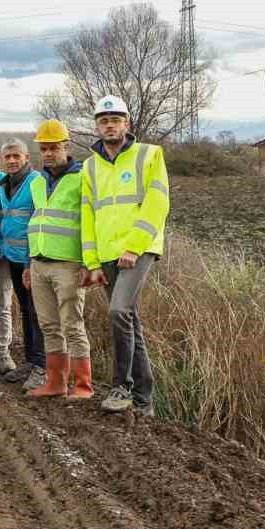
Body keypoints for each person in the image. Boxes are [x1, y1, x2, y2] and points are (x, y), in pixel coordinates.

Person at [81, 95, 171, 417]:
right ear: (97, 126)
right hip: (106, 254)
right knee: (130, 319)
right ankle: (145, 401)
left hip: (139, 248)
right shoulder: (89, 166)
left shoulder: (149, 155)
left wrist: (134, 246)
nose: (109, 124)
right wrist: (91, 263)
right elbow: (88, 215)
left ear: (127, 124)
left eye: (115, 119)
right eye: (104, 120)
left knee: (119, 311)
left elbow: (158, 203)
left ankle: (122, 385)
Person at [23, 120, 91, 400]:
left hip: (69, 264)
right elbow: (36, 221)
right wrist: (29, 263)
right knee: (49, 325)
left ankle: (83, 386)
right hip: (40, 263)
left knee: (72, 325)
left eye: (53, 148)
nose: (49, 153)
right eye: (44, 149)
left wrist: (90, 263)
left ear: (66, 146)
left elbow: (90, 223)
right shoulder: (38, 181)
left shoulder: (82, 178)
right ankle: (56, 383)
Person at [0, 140, 46, 387]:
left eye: (16, 156)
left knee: (38, 312)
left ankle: (42, 366)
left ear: (26, 157)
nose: (11, 160)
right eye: (7, 156)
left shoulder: (36, 182)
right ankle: (31, 362)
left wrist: (32, 262)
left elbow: (40, 220)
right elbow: (4, 218)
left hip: (31, 259)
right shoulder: (3, 184)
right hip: (11, 257)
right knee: (24, 309)